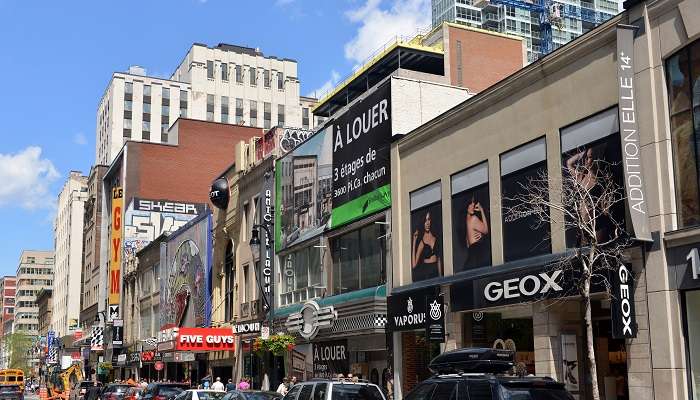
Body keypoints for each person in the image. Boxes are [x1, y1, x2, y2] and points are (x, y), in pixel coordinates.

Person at [411, 210, 442, 281]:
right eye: (425, 221)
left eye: (428, 219)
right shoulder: (422, 242)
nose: (427, 223)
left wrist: (441, 278)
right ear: (423, 223)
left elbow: (439, 259)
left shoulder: (435, 237)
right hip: (426, 274)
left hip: (435, 272)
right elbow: (414, 265)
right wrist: (414, 241)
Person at [464, 197, 489, 268]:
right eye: (470, 203)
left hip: (471, 253)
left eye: (473, 203)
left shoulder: (465, 221)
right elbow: (486, 230)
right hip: (477, 251)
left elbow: (467, 244)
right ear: (466, 205)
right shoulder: (473, 219)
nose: (473, 205)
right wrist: (482, 210)